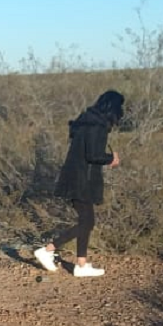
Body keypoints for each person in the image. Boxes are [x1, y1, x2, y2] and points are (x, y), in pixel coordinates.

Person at [33, 90, 124, 278]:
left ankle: (81, 265)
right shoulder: (97, 126)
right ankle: (48, 250)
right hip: (83, 180)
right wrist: (111, 158)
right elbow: (93, 155)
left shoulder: (85, 122)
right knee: (87, 222)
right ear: (112, 108)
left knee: (86, 221)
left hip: (75, 177)